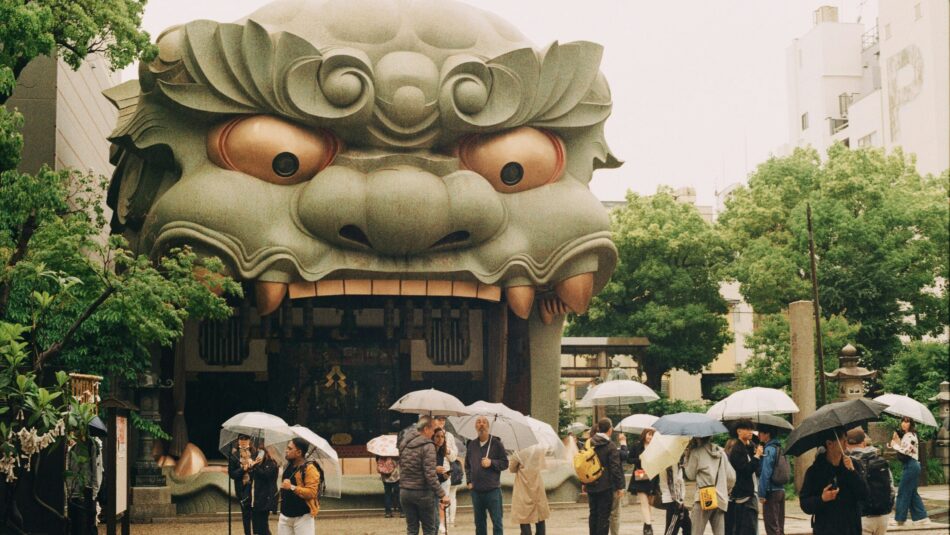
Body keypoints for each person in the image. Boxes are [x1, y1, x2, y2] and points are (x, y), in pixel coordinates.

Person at [799, 428, 869, 535]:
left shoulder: (852, 464)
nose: (846, 444)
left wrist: (852, 472)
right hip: (826, 528)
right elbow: (805, 503)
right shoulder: (814, 471)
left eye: (847, 440)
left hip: (850, 528)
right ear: (829, 444)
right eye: (843, 441)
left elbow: (865, 494)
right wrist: (822, 499)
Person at [400, 416, 450, 535]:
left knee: (412, 529)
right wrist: (443, 495)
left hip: (405, 492)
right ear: (426, 429)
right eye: (433, 430)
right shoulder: (428, 445)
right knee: (429, 530)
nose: (433, 434)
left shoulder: (404, 443)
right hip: (422, 493)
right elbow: (430, 475)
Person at [465, 415, 509, 535]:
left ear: (488, 426)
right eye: (479, 422)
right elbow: (467, 465)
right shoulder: (471, 445)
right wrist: (469, 481)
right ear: (476, 426)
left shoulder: (496, 444)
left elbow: (505, 463)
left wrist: (492, 462)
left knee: (497, 523)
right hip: (476, 491)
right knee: (479, 523)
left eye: (484, 422)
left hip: (492, 491)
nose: (481, 424)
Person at [845, 427, 893, 535]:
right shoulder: (880, 460)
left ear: (846, 443)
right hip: (883, 515)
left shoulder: (849, 462)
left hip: (861, 516)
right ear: (863, 442)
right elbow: (891, 486)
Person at [685, 435, 736, 535]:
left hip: (703, 498)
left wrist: (687, 458)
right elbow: (731, 477)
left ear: (697, 437)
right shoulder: (721, 452)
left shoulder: (696, 453)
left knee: (696, 532)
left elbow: (690, 475)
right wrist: (727, 490)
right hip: (720, 498)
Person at [586, 417, 625, 535]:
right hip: (605, 486)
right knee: (604, 516)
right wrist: (619, 487)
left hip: (591, 483)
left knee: (593, 514)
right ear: (610, 430)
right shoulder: (610, 445)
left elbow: (584, 464)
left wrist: (584, 482)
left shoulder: (589, 443)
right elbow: (615, 468)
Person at [889, 416, 929, 526]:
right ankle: (921, 517)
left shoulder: (910, 435)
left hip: (911, 465)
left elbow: (905, 451)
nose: (904, 424)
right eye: (903, 421)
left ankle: (900, 519)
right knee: (912, 492)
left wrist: (895, 445)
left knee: (903, 491)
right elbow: (901, 447)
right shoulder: (907, 435)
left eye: (907, 422)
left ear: (911, 424)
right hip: (910, 465)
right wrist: (894, 442)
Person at [725, 420, 762, 535]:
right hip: (744, 495)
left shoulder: (749, 447)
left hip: (751, 493)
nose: (751, 432)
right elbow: (745, 470)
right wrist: (756, 456)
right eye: (748, 429)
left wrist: (756, 454)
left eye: (752, 429)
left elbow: (756, 469)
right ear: (739, 431)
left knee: (751, 528)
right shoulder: (737, 449)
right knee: (747, 529)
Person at [278, 438, 320, 535]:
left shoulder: (310, 469)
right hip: (285, 516)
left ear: (299, 452)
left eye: (289, 448)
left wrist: (292, 487)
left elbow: (312, 492)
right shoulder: (288, 466)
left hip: (303, 517)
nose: (286, 450)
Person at [510, 444, 551, 535]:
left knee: (524, 517)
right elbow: (542, 465)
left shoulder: (519, 451)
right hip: (537, 484)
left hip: (523, 486)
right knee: (540, 516)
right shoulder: (539, 449)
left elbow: (512, 468)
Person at [756, 425, 786, 535]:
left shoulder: (769, 449)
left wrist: (762, 493)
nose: (758, 435)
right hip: (781, 490)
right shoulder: (779, 448)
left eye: (760, 432)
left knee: (772, 527)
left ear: (767, 434)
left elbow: (766, 472)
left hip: (771, 491)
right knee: (780, 526)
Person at [433, 416, 461, 528]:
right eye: (439, 419)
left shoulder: (449, 436)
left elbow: (454, 457)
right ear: (434, 420)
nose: (441, 421)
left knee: (447, 498)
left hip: (445, 472)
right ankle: (435, 523)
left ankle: (447, 523)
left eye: (443, 419)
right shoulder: (429, 434)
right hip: (432, 473)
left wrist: (448, 451)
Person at [627, 428, 656, 535]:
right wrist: (639, 459)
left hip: (652, 476)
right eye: (649, 435)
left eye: (652, 435)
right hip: (640, 475)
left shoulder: (655, 447)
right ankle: (649, 527)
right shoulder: (636, 445)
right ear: (644, 435)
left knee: (649, 503)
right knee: (644, 502)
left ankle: (646, 523)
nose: (650, 437)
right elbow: (629, 459)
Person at [229, 434, 258, 535]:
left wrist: (254, 465)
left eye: (246, 439)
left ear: (250, 440)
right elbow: (232, 474)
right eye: (241, 439)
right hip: (242, 487)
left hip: (254, 486)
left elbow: (260, 471)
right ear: (238, 440)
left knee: (255, 513)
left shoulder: (255, 453)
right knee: (246, 513)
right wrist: (243, 469)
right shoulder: (234, 456)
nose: (244, 441)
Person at [248, 445, 278, 535]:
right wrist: (251, 465)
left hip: (265, 499)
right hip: (256, 498)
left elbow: (265, 476)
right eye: (258, 452)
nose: (259, 455)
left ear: (266, 453)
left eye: (261, 452)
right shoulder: (258, 464)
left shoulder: (271, 464)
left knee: (263, 526)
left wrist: (255, 466)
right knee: (256, 526)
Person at [658, 453, 689, 535]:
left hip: (678, 500)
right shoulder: (668, 465)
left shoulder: (676, 463)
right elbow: (671, 485)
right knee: (671, 530)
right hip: (673, 501)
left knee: (688, 526)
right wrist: (679, 501)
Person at [433, 428, 452, 534]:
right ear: (432, 437)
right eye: (437, 436)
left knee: (435, 522)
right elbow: (424, 470)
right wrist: (434, 469)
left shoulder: (440, 453)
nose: (440, 439)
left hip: (436, 488)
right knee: (431, 522)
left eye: (442, 437)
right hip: (426, 489)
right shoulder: (429, 451)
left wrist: (444, 477)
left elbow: (438, 476)